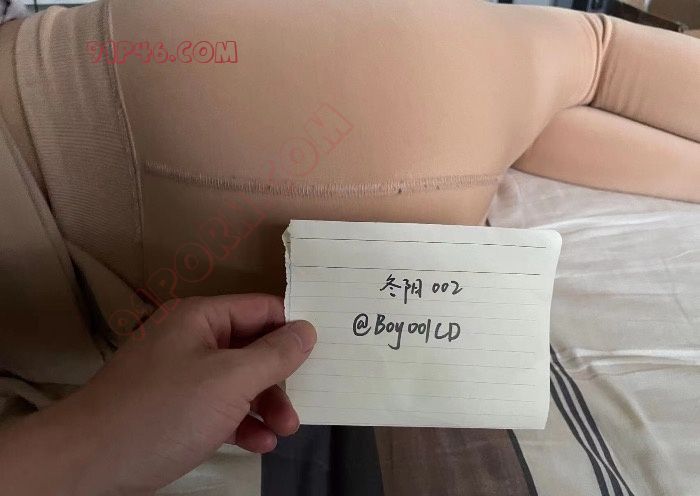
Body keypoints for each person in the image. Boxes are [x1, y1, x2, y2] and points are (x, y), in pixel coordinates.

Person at [0, 0, 698, 494]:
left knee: (527, 126)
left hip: (97, 302)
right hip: (120, 96)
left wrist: (90, 442)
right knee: (594, 51)